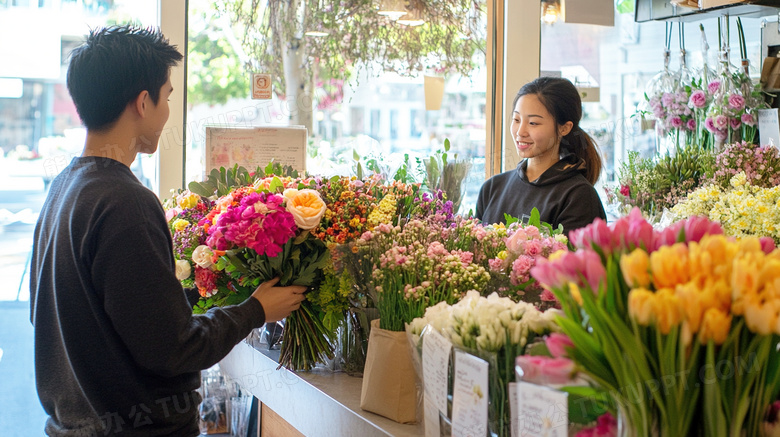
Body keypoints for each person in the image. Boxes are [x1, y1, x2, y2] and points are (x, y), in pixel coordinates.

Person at [29, 25, 306, 436]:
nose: (167, 112)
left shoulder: (63, 191)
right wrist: (255, 310)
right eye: (168, 96)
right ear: (143, 102)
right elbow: (175, 348)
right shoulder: (124, 202)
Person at [475, 77, 606, 234]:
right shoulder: (492, 189)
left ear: (564, 128)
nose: (520, 132)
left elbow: (574, 258)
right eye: (516, 119)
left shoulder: (578, 197)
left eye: (533, 123)